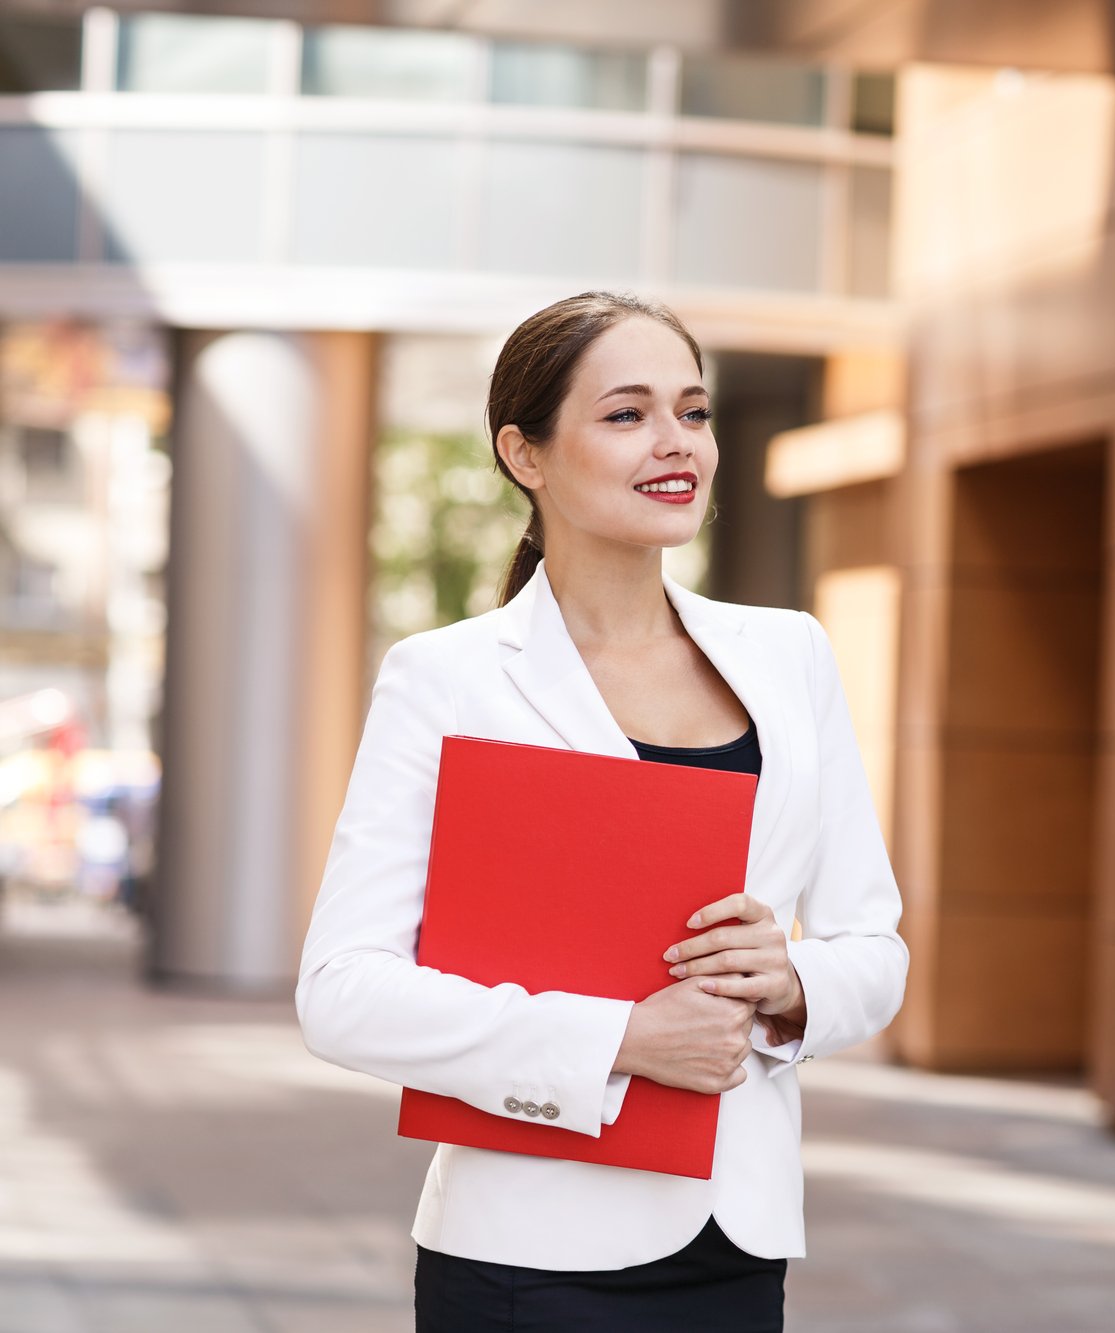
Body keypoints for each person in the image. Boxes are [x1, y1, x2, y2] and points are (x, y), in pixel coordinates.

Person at [295, 290, 909, 1331]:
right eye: (626, 415)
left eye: (694, 411)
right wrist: (618, 1038)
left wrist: (793, 981)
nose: (675, 443)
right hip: (524, 1253)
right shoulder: (445, 679)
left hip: (738, 1243)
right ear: (525, 454)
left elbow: (875, 946)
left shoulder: (790, 654)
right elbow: (343, 991)